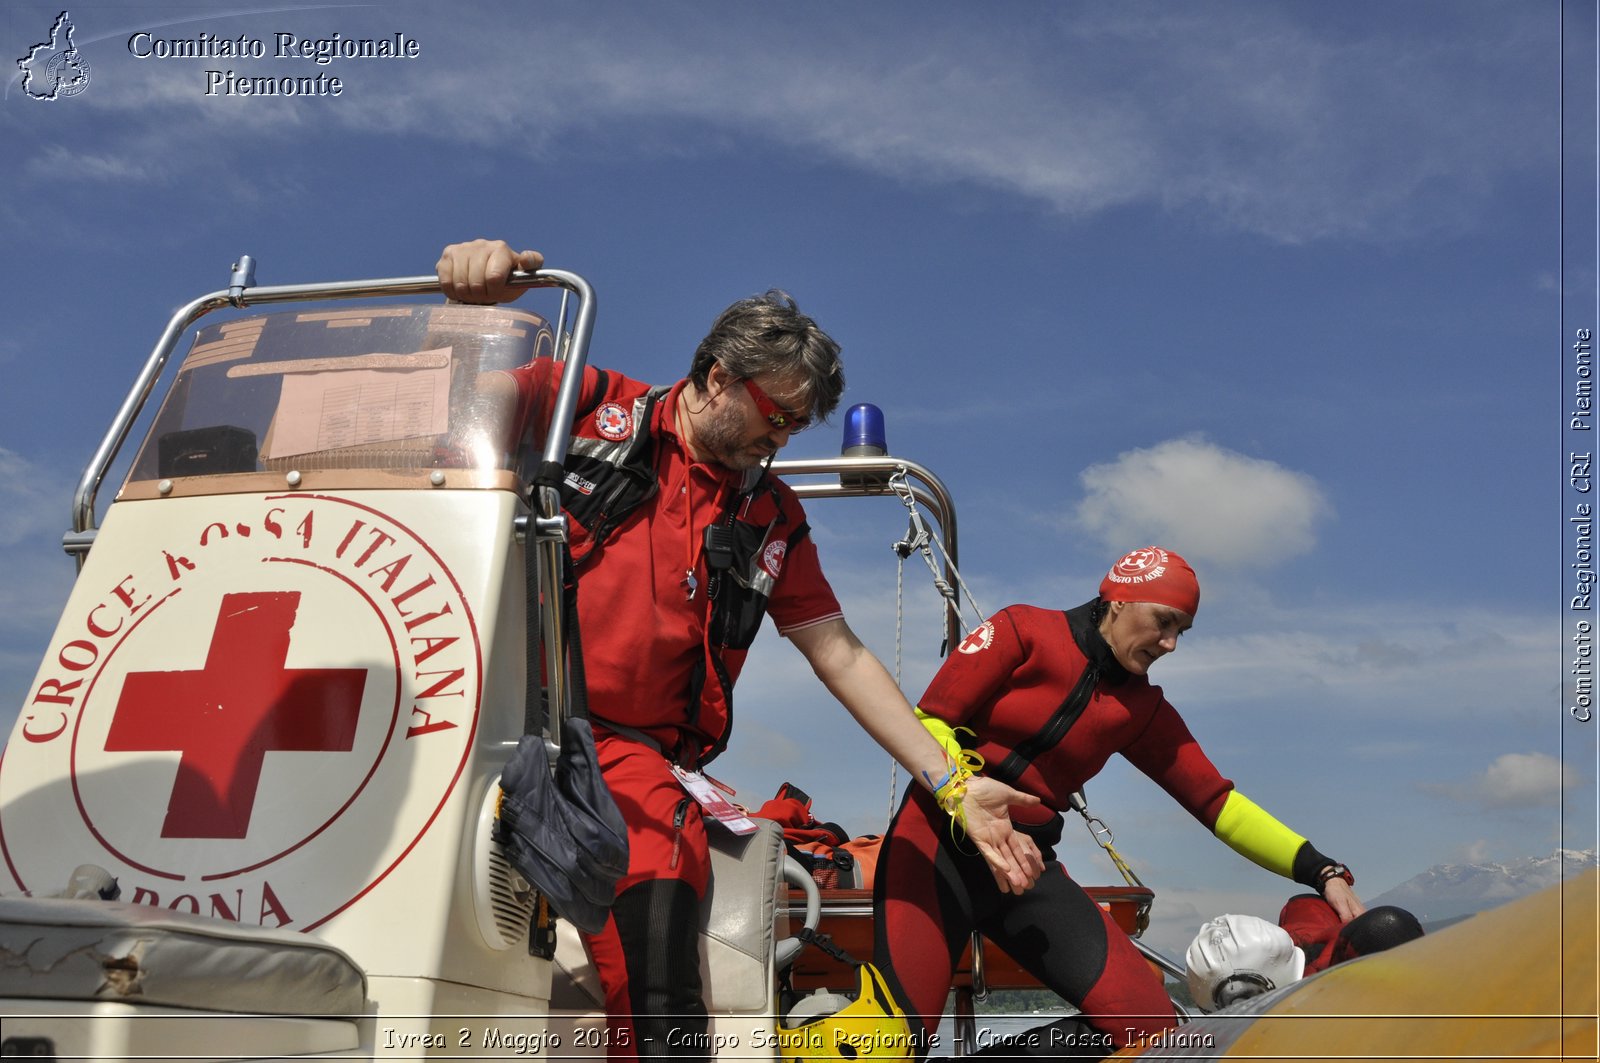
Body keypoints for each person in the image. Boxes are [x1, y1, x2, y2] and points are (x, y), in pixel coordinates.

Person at [436, 240, 1045, 1061]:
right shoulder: (580, 405)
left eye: (800, 425)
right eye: (777, 415)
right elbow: (434, 407)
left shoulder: (774, 519)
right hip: (484, 709)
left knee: (665, 884)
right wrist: (473, 312)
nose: (783, 439)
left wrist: (954, 784)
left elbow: (839, 654)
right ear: (718, 375)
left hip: (627, 759)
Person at [872, 546, 1367, 1058]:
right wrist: (959, 790)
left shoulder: (1142, 710)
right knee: (893, 1046)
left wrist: (1322, 870)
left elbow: (1220, 805)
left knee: (1154, 1031)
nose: (1171, 643)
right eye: (1164, 621)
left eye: (1183, 632)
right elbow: (928, 720)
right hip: (937, 844)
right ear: (1119, 600)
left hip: (1025, 866)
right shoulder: (1023, 631)